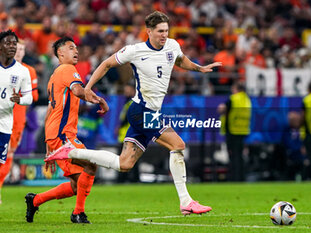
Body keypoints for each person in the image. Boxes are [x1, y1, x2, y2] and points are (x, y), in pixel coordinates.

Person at [46, 11, 222, 215]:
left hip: (151, 111)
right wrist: (88, 88)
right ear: (149, 31)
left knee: (125, 164)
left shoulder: (173, 45)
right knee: (178, 144)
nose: (164, 35)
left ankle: (72, 152)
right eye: (159, 31)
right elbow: (106, 64)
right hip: (141, 111)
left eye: (166, 30)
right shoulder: (135, 50)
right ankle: (186, 202)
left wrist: (199, 69)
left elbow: (180, 60)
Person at [25, 37, 108, 224]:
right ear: (60, 53)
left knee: (76, 183)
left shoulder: (54, 76)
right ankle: (78, 213)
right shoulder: (69, 70)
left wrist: (48, 143)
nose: (76, 51)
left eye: (76, 48)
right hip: (63, 135)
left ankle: (35, 200)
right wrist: (98, 99)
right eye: (71, 48)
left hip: (57, 135)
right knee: (90, 165)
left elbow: (49, 112)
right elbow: (78, 91)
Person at [0, 39, 39, 204]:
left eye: (22, 49)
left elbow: (34, 96)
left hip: (17, 120)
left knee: (7, 156)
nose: (18, 51)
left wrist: (20, 96)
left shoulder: (28, 71)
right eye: (16, 48)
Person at [217, 82, 251, 181]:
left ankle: (234, 178)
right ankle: (241, 177)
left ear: (236, 89)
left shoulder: (234, 99)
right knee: (240, 156)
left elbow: (222, 109)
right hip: (243, 131)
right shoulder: (247, 100)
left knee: (232, 156)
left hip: (232, 131)